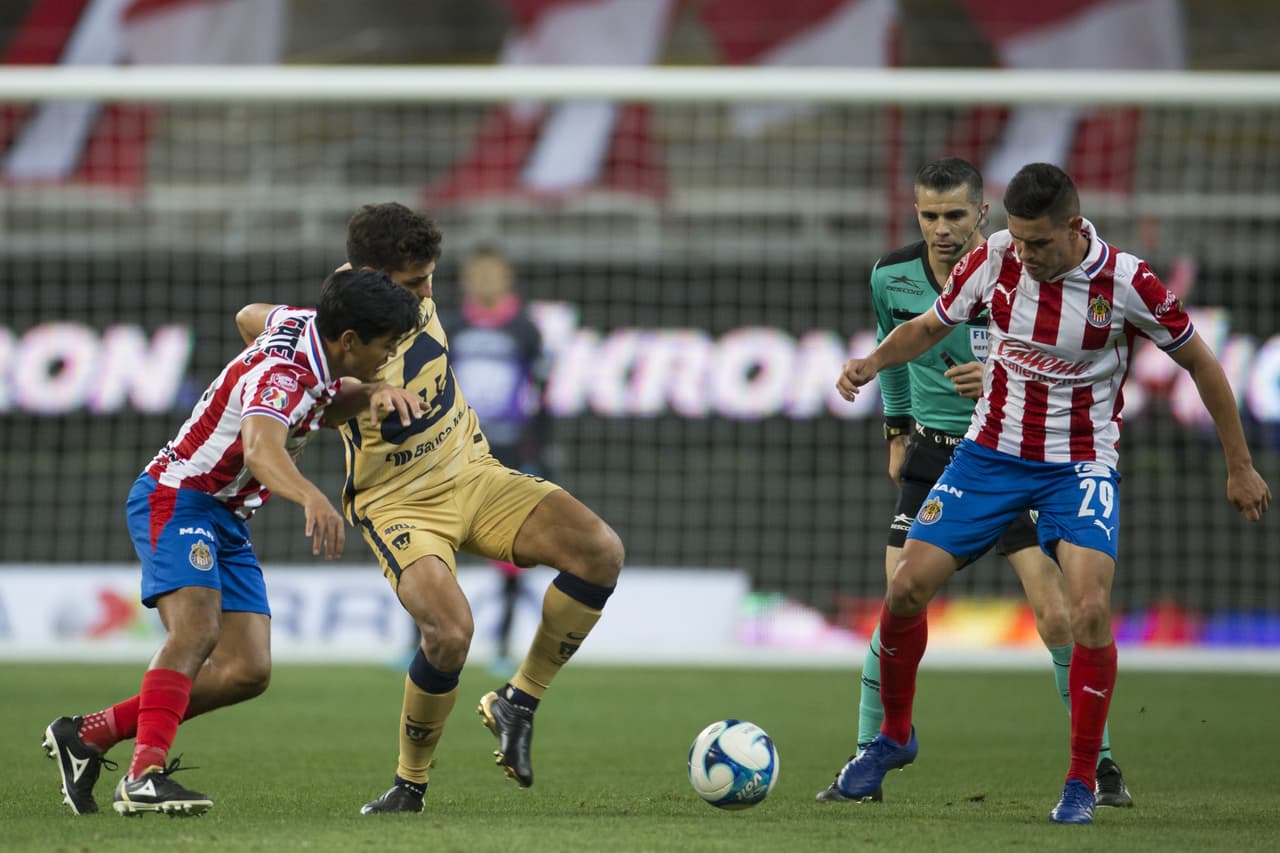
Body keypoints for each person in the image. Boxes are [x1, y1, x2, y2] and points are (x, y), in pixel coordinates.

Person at [831, 162, 1270, 825]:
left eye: (1038, 243)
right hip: (989, 456)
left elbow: (1202, 362)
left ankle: (1081, 778)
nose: (1025, 255)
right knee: (905, 586)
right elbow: (927, 326)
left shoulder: (1126, 281)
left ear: (1073, 225)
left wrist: (1239, 465)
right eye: (1018, 239)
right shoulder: (995, 258)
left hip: (1079, 464)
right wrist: (873, 363)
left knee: (1087, 608)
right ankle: (894, 735)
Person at [236, 202, 624, 815]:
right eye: (413, 284)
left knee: (600, 552)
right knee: (449, 634)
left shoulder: (405, 287)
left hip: (472, 471)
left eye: (430, 279)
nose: (425, 294)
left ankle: (517, 702)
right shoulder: (344, 323)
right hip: (397, 502)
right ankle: (408, 786)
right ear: (375, 277)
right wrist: (362, 391)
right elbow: (249, 318)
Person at [42, 269, 423, 816]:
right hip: (178, 497)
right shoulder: (285, 377)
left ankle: (89, 735)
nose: (388, 359)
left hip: (225, 515)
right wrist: (311, 497)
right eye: (385, 349)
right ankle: (143, 775)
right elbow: (261, 452)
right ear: (349, 341)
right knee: (196, 630)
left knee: (247, 670)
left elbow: (248, 314)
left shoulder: (301, 327)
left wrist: (370, 393)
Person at [817, 158, 1131, 808]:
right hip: (938, 455)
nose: (940, 228)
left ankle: (1097, 766)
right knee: (899, 593)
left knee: (1055, 614)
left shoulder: (1013, 269)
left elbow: (1048, 358)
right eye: (929, 215)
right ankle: (868, 749)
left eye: (954, 214)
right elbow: (895, 343)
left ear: (981, 214)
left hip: (1016, 454)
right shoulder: (891, 276)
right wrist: (897, 430)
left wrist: (992, 376)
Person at [440, 244, 552, 675]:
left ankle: (503, 646)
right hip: (453, 451)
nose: (485, 281)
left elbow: (543, 398)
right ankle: (421, 639)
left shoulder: (526, 330)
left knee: (510, 550)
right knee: (433, 545)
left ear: (507, 279)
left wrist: (536, 455)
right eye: (478, 273)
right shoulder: (449, 325)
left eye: (493, 273)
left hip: (506, 452)